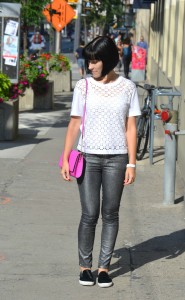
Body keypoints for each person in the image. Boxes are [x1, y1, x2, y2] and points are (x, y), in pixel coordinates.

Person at [61, 36, 141, 288]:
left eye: (96, 61)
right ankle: (85, 266)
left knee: (110, 213)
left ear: (108, 61)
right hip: (87, 157)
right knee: (90, 213)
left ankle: (103, 267)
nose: (91, 66)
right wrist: (65, 157)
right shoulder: (83, 87)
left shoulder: (128, 87)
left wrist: (131, 163)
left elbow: (131, 128)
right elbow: (74, 122)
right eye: (89, 61)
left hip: (117, 158)